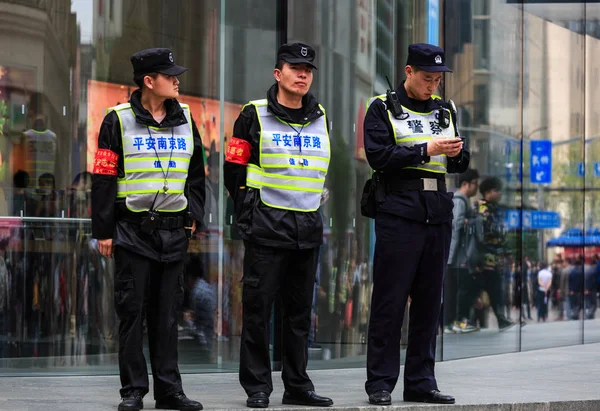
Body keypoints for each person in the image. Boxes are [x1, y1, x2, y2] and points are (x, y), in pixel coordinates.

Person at [91, 48, 205, 411]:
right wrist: (103, 231)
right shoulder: (117, 120)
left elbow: (197, 174)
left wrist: (195, 215)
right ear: (148, 81)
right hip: (131, 232)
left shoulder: (187, 117)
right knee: (132, 313)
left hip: (173, 232)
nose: (177, 80)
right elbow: (104, 177)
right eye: (169, 75)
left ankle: (169, 391)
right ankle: (133, 390)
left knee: (167, 315)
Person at [224, 42, 333, 408]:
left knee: (300, 313)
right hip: (267, 228)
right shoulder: (253, 115)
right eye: (294, 67)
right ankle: (257, 387)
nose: (303, 74)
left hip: (307, 230)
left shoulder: (320, 115)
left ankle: (297, 385)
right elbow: (235, 170)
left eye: (308, 69)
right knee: (258, 311)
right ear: (278, 73)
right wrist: (249, 214)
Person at [363, 43, 469, 406]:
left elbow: (459, 163)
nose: (433, 85)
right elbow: (378, 156)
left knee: (429, 303)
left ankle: (422, 381)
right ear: (408, 72)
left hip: (437, 211)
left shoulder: (445, 108)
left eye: (438, 79)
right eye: (427, 78)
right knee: (390, 302)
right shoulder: (381, 107)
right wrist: (427, 149)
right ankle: (380, 382)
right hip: (399, 211)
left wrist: (456, 152)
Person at [471, 176, 516, 331]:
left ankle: (499, 319)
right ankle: (471, 320)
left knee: (490, 289)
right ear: (488, 192)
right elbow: (485, 234)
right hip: (484, 257)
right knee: (489, 288)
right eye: (497, 191)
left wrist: (506, 251)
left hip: (492, 257)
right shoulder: (482, 208)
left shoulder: (493, 208)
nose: (499, 194)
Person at [444, 168, 479, 334]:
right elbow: (456, 228)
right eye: (475, 184)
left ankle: (456, 322)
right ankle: (453, 322)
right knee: (457, 291)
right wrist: (450, 257)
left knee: (460, 289)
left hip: (458, 256)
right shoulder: (459, 201)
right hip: (457, 257)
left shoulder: (464, 201)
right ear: (465, 184)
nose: (476, 188)